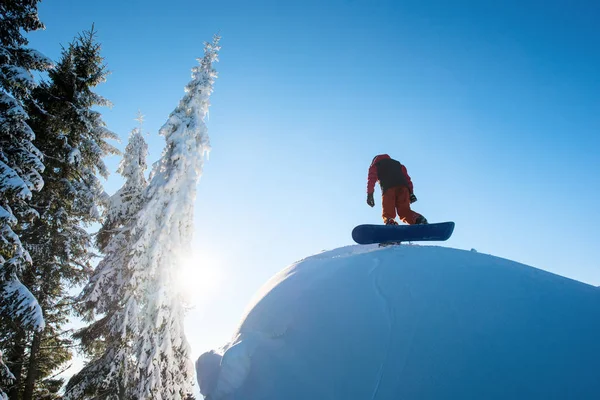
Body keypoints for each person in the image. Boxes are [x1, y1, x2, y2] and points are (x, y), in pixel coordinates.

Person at [366, 154, 428, 225]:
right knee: (404, 211)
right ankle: (418, 219)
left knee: (388, 211)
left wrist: (369, 194)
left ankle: (390, 222)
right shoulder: (398, 164)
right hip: (403, 188)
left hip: (388, 189)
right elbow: (407, 179)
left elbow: (371, 179)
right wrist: (411, 193)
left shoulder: (375, 165)